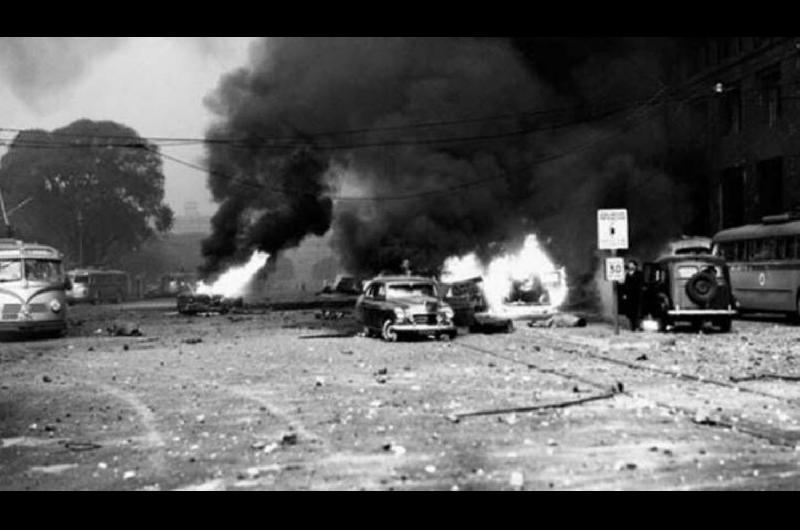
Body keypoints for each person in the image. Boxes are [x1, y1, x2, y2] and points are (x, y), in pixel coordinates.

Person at [621, 259, 643, 331]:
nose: (630, 266)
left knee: (637, 312)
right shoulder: (627, 275)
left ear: (635, 266)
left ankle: (637, 326)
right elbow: (625, 285)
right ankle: (632, 326)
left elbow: (641, 284)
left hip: (638, 295)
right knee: (630, 312)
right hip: (630, 296)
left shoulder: (639, 274)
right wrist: (624, 293)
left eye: (632, 265)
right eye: (630, 265)